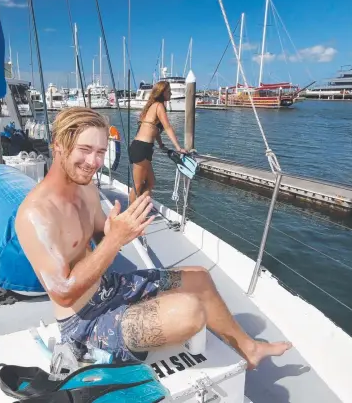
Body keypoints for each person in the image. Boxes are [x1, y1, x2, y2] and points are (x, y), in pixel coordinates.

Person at [16, 107, 291, 368]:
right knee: (190, 312)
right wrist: (115, 240)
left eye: (100, 152)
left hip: (108, 288)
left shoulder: (85, 187)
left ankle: (249, 349)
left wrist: (113, 230)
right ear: (59, 146)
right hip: (83, 323)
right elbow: (63, 293)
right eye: (85, 150)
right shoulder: (36, 214)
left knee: (200, 277)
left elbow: (101, 231)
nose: (94, 162)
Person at [128, 81, 188, 205]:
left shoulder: (153, 106)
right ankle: (131, 213)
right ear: (162, 92)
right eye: (169, 91)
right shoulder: (159, 105)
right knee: (138, 185)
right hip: (141, 147)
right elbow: (167, 127)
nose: (171, 93)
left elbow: (155, 130)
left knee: (150, 182)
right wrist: (178, 148)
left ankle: (139, 207)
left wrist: (161, 145)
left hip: (144, 148)